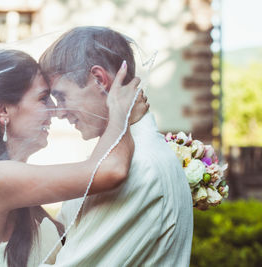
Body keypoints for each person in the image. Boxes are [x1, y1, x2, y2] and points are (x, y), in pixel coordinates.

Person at [0, 48, 149, 267]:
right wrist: (120, 110)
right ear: (2, 110)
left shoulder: (7, 178)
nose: (55, 111)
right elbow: (112, 170)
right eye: (43, 98)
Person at [39, 26, 194, 266]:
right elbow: (62, 239)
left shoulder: (139, 167)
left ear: (99, 80)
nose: (58, 112)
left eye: (62, 96)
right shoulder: (115, 156)